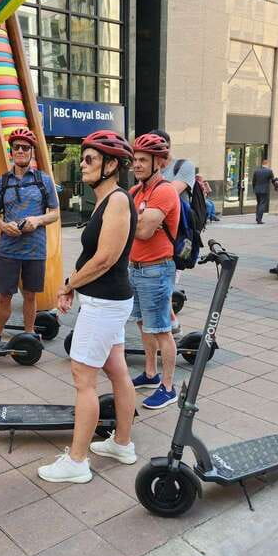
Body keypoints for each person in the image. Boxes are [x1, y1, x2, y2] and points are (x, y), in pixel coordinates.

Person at [37, 130, 138, 483]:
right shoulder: (105, 200)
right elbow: (94, 257)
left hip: (104, 304)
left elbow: (105, 258)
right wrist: (74, 286)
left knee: (83, 379)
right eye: (83, 159)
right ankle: (122, 444)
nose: (82, 164)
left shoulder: (118, 201)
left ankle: (77, 462)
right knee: (117, 370)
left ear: (111, 165)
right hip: (106, 301)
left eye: (90, 159)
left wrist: (68, 284)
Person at [0, 128, 60, 340]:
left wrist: (37, 220)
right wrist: (3, 226)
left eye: (25, 147)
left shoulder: (43, 180)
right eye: (16, 147)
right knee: (4, 295)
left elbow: (55, 213)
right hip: (8, 249)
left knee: (30, 295)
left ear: (31, 152)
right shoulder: (2, 182)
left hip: (35, 249)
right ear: (11, 151)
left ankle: (29, 335)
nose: (20, 150)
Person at [127, 133, 180, 409]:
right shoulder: (135, 192)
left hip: (156, 269)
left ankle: (168, 387)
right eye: (135, 159)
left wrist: (136, 222)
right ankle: (150, 373)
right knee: (142, 324)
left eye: (143, 160)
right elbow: (122, 223)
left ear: (158, 162)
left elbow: (144, 231)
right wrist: (137, 221)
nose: (137, 164)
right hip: (134, 268)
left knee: (161, 330)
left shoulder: (164, 191)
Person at [147, 129, 195, 336]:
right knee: (157, 287)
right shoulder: (150, 170)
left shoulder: (183, 167)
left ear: (167, 147)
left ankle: (172, 328)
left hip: (178, 236)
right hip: (153, 235)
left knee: (163, 286)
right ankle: (168, 326)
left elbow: (168, 193)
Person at [252, 159, 274, 224]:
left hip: (257, 190)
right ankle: (259, 219)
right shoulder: (269, 171)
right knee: (262, 204)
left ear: (262, 164)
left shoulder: (256, 171)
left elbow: (253, 181)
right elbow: (273, 180)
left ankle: (257, 217)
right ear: (267, 164)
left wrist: (254, 188)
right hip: (264, 190)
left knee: (258, 203)